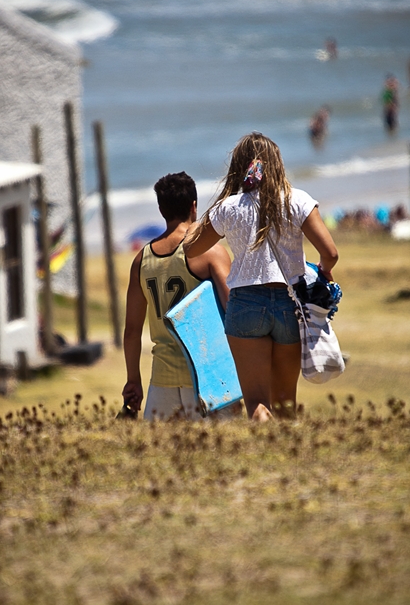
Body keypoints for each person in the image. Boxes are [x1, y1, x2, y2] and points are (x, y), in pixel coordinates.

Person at [185, 133, 338, 421]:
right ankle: (286, 459)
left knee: (257, 402)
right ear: (277, 164)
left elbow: (192, 250)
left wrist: (207, 213)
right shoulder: (297, 200)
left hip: (244, 304)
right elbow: (330, 252)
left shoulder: (229, 207)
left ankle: (262, 455)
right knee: (285, 403)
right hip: (288, 303)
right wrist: (323, 271)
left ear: (239, 167)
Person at [122, 171, 231, 421]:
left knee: (163, 457)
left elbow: (131, 331)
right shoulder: (210, 252)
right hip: (208, 378)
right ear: (194, 206)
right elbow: (234, 311)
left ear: (161, 209)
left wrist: (133, 381)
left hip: (162, 382)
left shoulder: (141, 260)